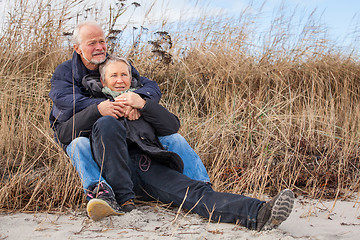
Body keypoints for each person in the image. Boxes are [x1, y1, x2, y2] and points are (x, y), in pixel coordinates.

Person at [65, 55, 294, 231]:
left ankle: (259, 213)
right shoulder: (92, 103)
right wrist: (101, 111)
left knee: (193, 193)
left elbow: (171, 126)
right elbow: (66, 133)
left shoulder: (140, 100)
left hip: (147, 166)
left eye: (124, 75)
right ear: (103, 80)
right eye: (113, 76)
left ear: (131, 78)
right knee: (108, 124)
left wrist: (142, 105)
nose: (119, 80)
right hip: (114, 172)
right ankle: (125, 201)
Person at [48, 21, 210, 211]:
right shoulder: (64, 72)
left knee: (174, 137)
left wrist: (135, 102)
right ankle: (98, 190)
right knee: (79, 145)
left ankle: (203, 188)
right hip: (80, 128)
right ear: (77, 48)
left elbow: (149, 87)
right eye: (92, 43)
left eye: (102, 41)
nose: (99, 47)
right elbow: (66, 101)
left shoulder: (116, 64)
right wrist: (104, 106)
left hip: (119, 127)